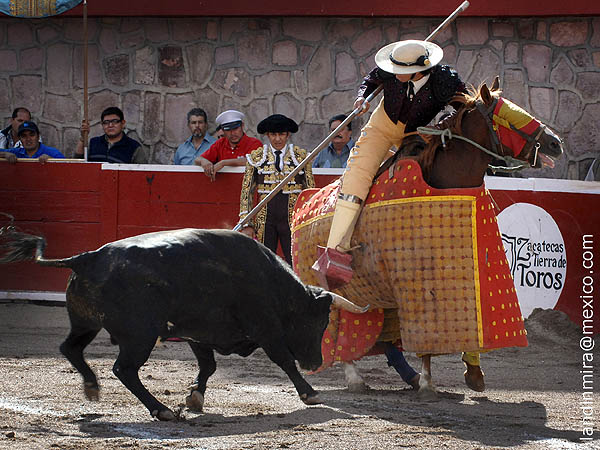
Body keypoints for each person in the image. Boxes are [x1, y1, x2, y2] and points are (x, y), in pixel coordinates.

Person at [313, 39, 466, 289]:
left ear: (419, 70)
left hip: (418, 134)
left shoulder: (444, 79)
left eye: (402, 72)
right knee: (358, 173)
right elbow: (371, 80)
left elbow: (463, 106)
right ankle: (336, 250)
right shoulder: (394, 67)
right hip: (382, 125)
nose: (395, 74)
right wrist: (362, 98)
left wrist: (442, 124)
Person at [239, 114, 315, 265]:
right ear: (267, 135)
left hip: (293, 218)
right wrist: (246, 223)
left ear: (288, 135)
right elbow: (246, 191)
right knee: (264, 262)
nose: (278, 139)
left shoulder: (301, 157)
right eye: (273, 134)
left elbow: (310, 190)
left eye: (281, 134)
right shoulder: (255, 158)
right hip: (265, 218)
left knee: (296, 261)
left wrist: (310, 219)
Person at [196, 110, 261, 181]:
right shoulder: (220, 143)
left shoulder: (254, 143)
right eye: (228, 130)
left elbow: (253, 160)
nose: (232, 133)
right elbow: (197, 159)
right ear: (223, 130)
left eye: (235, 128)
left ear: (242, 126)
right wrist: (204, 162)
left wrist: (223, 163)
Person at [75, 107, 148, 163]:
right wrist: (82, 138)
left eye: (115, 121)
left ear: (122, 123)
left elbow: (142, 174)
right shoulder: (94, 142)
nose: (110, 125)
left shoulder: (134, 147)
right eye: (106, 122)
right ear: (102, 125)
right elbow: (78, 162)